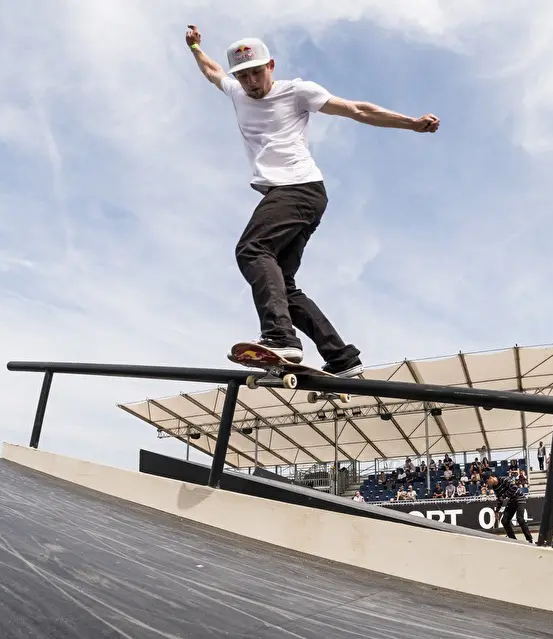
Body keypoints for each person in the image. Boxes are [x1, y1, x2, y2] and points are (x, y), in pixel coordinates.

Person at [186, 25, 439, 376]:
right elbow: (213, 72)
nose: (251, 83)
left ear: (270, 66)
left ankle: (279, 337)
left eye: (257, 73)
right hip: (290, 194)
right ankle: (341, 357)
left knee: (252, 250)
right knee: (283, 285)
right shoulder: (235, 90)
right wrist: (196, 47)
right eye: (243, 76)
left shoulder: (297, 92)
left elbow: (357, 110)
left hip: (299, 189)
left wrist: (410, 123)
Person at [487, 475, 534, 544]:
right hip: (511, 501)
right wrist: (496, 511)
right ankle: (513, 539)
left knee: (520, 518)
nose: (488, 483)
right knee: (504, 521)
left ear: (491, 477)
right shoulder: (495, 487)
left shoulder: (503, 479)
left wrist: (504, 496)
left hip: (519, 498)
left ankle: (530, 539)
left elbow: (514, 487)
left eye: (488, 481)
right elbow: (500, 500)